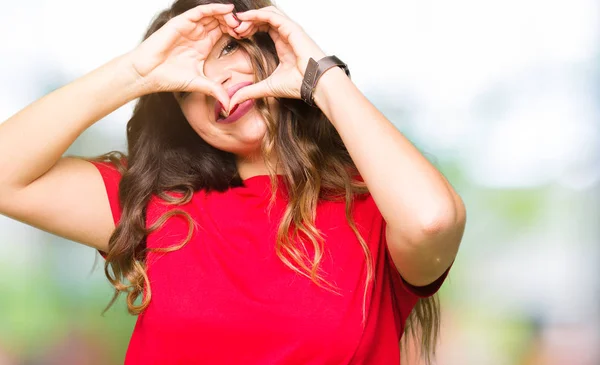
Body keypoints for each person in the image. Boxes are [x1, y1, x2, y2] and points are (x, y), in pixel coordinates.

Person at [0, 0, 466, 364]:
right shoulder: (158, 202)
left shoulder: (372, 201)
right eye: (186, 84)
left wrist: (320, 76)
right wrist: (136, 73)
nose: (213, 83)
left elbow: (432, 220)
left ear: (270, 45)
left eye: (227, 49)